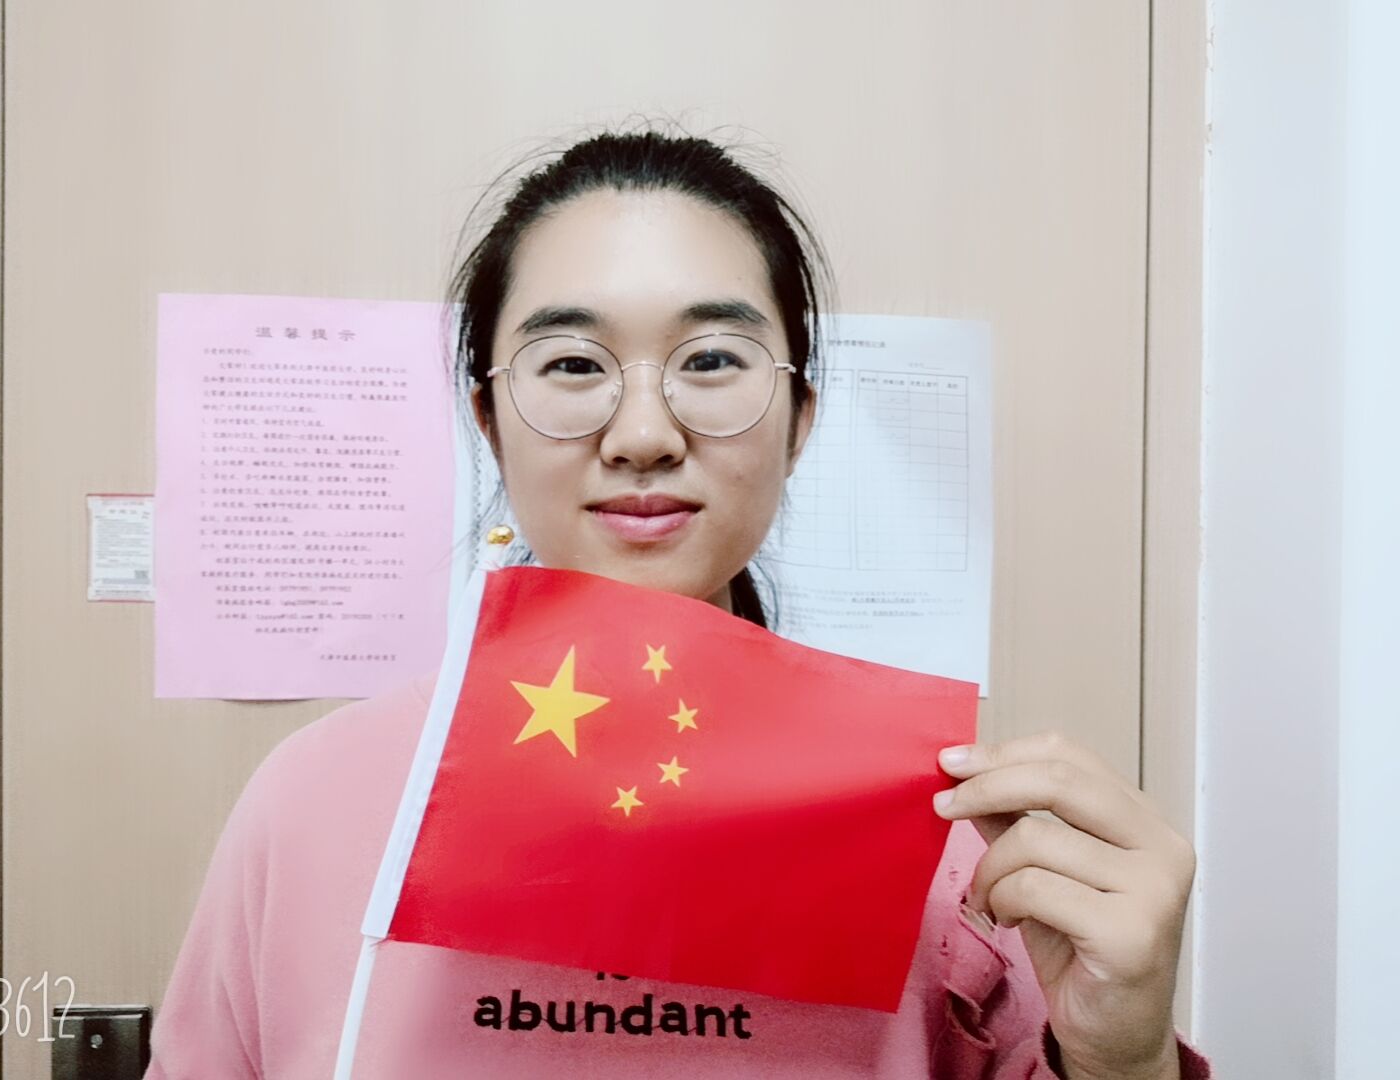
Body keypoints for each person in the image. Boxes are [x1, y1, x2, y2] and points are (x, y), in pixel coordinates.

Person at [146, 128, 1211, 1079]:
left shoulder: (949, 851)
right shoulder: (309, 807)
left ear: (799, 419)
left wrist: (1123, 1060)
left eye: (711, 360)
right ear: (489, 421)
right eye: (572, 363)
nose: (644, 433)